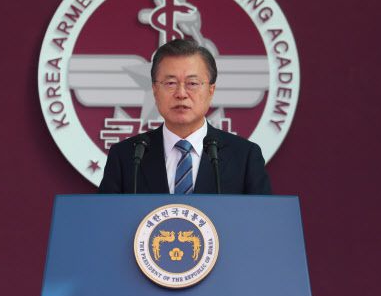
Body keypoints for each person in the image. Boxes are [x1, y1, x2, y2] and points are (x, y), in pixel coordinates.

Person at [98, 39, 272, 194]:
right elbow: (106, 218)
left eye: (192, 83)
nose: (181, 94)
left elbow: (261, 218)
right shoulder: (126, 157)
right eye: (170, 83)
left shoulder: (244, 157)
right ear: (155, 90)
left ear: (211, 90)